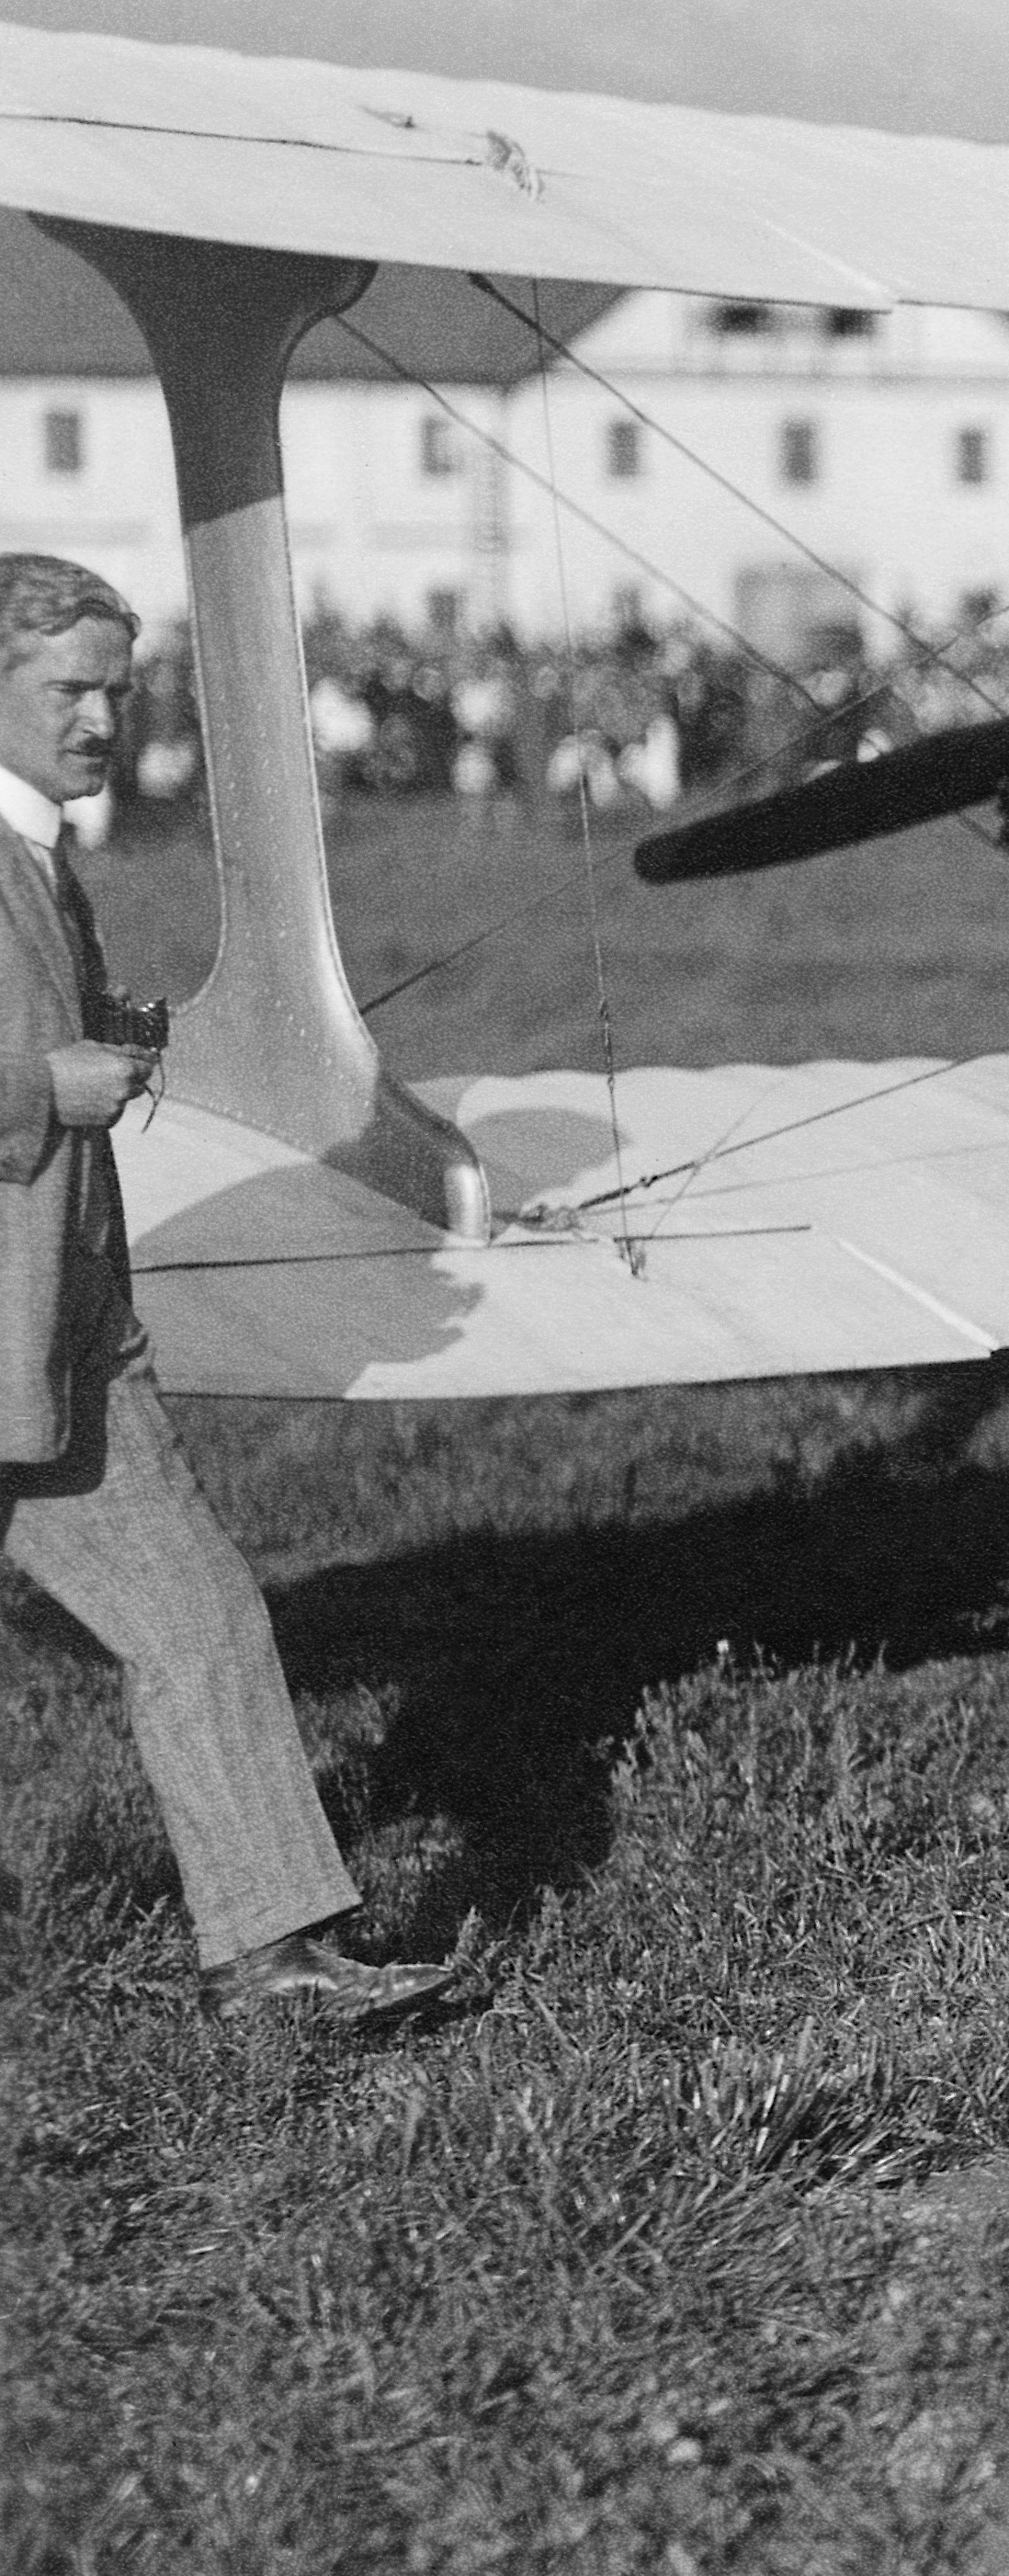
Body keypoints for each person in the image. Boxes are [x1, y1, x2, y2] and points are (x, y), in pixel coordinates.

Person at [0, 555, 454, 2024]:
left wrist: (101, 1043)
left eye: (118, 692)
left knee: (202, 1620)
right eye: (67, 688)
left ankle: (273, 1966)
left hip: (63, 1333)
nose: (100, 720)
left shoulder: (36, 853)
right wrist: (37, 1085)